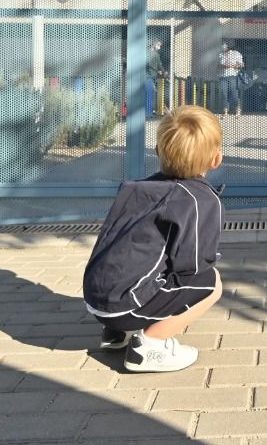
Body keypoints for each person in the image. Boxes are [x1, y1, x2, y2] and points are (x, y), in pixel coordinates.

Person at [81, 106, 225, 373]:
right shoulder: (199, 200)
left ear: (158, 152)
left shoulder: (136, 188)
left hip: (95, 298)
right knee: (212, 283)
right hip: (125, 305)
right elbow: (191, 266)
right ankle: (149, 346)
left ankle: (115, 335)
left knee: (140, 262)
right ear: (216, 159)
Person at [219, 43, 245, 117]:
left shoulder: (236, 54)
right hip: (223, 77)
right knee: (224, 93)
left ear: (228, 47)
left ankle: (238, 109)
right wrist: (224, 65)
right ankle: (225, 110)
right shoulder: (221, 55)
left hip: (233, 76)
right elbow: (218, 65)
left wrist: (233, 66)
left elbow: (242, 65)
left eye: (224, 46)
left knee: (233, 93)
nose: (223, 47)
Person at [146, 40, 165, 117]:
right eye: (158, 45)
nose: (159, 47)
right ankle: (148, 113)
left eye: (160, 45)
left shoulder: (156, 55)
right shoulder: (147, 53)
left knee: (150, 94)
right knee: (149, 94)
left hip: (152, 76)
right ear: (153, 44)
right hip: (148, 77)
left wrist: (162, 71)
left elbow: (159, 65)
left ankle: (149, 112)